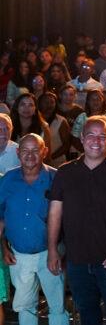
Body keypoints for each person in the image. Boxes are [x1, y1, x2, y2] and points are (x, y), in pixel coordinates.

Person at [47, 116, 106, 325]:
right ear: (82, 138)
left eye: (102, 136)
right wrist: (52, 250)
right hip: (76, 260)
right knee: (87, 314)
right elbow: (55, 214)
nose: (96, 141)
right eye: (91, 135)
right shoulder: (65, 172)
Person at [0, 134, 67, 325]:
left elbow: (68, 218)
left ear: (44, 152)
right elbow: (1, 215)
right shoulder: (8, 179)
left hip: (51, 253)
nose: (30, 155)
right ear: (17, 152)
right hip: (18, 255)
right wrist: (4, 248)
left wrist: (63, 253)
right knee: (25, 306)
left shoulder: (56, 178)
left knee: (57, 305)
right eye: (25, 150)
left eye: (35, 150)